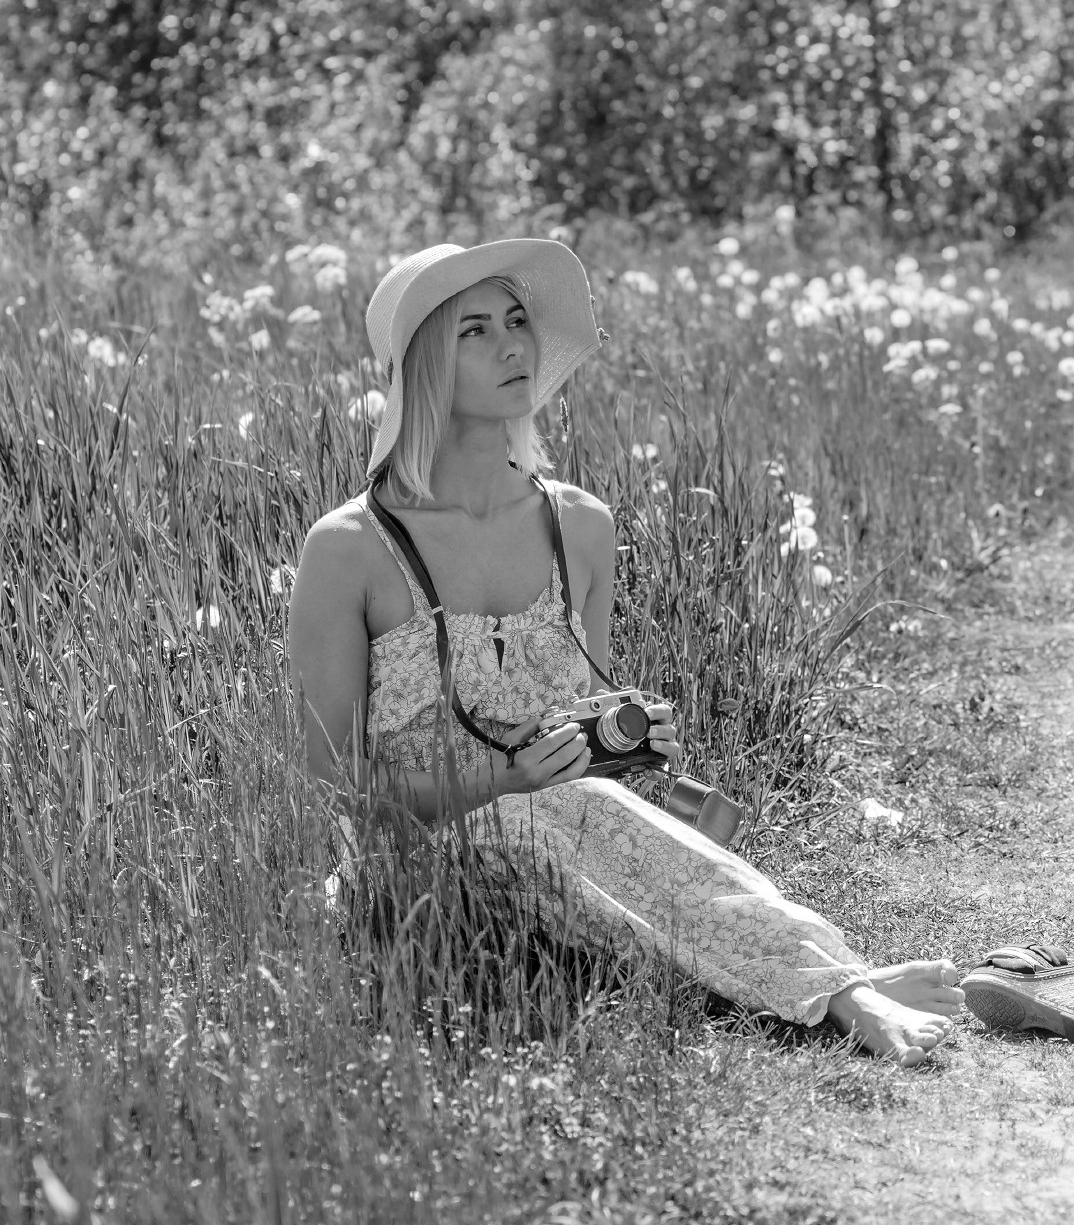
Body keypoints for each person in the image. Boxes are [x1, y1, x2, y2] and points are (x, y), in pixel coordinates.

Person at [287, 239, 961, 1065]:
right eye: (473, 330)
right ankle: (839, 988)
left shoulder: (580, 524)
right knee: (529, 818)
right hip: (413, 871)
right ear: (422, 361)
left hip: (571, 828)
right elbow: (333, 781)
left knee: (579, 812)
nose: (512, 346)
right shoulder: (351, 546)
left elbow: (574, 753)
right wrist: (506, 780)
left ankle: (836, 980)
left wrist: (622, 742)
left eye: (518, 321)